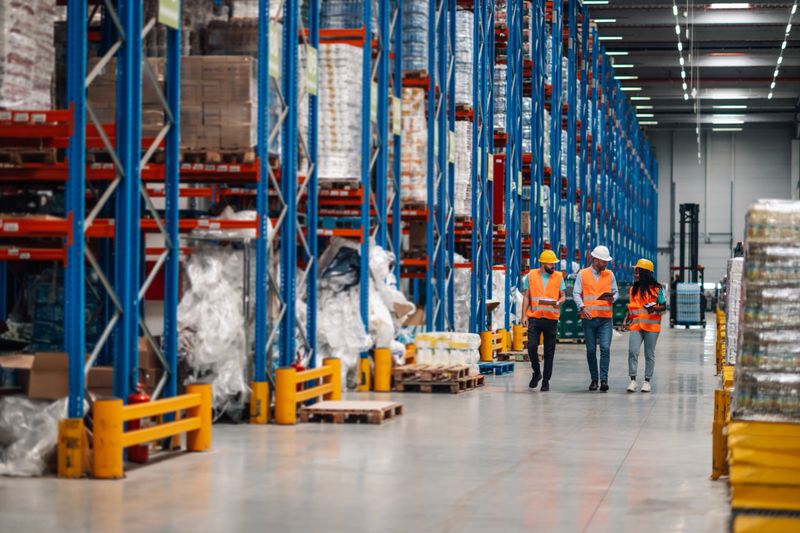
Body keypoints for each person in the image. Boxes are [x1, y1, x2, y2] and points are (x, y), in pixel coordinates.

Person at [574, 245, 618, 392]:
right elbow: (576, 293)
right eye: (604, 261)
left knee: (605, 348)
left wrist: (613, 298)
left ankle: (604, 380)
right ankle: (594, 379)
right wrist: (582, 307)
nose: (606, 264)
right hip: (589, 318)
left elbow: (615, 292)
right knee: (591, 350)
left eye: (607, 261)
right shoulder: (583, 274)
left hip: (605, 318)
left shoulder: (610, 275)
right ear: (595, 260)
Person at [521, 250, 566, 392]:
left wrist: (559, 302)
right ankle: (536, 372)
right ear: (543, 263)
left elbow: (563, 296)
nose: (553, 266)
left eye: (554, 263)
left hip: (551, 319)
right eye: (551, 263)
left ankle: (546, 381)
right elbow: (527, 297)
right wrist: (524, 316)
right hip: (534, 317)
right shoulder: (531, 275)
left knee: (549, 352)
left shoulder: (559, 277)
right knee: (532, 347)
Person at [626, 259, 666, 393]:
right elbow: (633, 308)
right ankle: (632, 380)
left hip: (651, 327)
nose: (635, 273)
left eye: (637, 271)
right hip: (636, 326)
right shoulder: (633, 290)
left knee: (649, 354)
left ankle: (647, 381)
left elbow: (664, 306)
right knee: (633, 351)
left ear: (644, 273)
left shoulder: (658, 289)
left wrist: (654, 308)